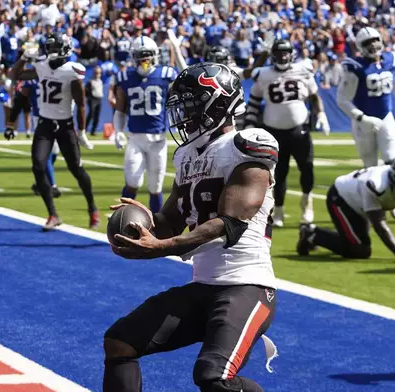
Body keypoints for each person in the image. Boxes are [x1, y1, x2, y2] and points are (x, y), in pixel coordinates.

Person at [104, 63, 278, 392]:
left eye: (192, 105)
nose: (185, 114)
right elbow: (172, 218)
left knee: (213, 377)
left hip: (247, 285)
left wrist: (162, 248)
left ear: (219, 103)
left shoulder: (247, 144)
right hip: (204, 286)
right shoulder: (186, 154)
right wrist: (146, 225)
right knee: (120, 341)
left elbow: (229, 225)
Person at [9, 32, 99, 231]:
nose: (51, 52)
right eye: (49, 47)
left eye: (55, 48)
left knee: (76, 168)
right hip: (45, 124)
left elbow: (81, 104)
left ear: (65, 49)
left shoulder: (72, 71)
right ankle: (53, 214)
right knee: (38, 166)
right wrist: (23, 58)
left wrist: (82, 131)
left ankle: (92, 207)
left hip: (65, 126)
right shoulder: (41, 66)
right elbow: (14, 75)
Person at [297, 154, 395, 265]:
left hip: (360, 204)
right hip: (341, 198)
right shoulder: (375, 184)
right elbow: (380, 225)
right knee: (359, 250)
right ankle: (312, 234)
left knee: (359, 244)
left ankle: (319, 235)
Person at [244, 39, 327, 227]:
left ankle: (307, 206)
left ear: (292, 54)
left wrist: (321, 113)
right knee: (279, 174)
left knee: (307, 168)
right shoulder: (264, 74)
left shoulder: (303, 71)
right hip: (274, 133)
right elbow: (255, 101)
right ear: (273, 55)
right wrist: (249, 124)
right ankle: (279, 211)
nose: (282, 56)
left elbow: (314, 96)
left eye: (285, 52)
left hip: (300, 130)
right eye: (279, 53)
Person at [336, 27, 395, 220]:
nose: (373, 45)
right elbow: (342, 100)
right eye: (368, 43)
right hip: (364, 121)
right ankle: (372, 203)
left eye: (375, 40)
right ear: (361, 47)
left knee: (393, 160)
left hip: (385, 117)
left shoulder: (390, 59)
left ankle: (394, 199)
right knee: (369, 165)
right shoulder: (355, 66)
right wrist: (361, 117)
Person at [112, 36, 177, 214]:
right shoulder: (125, 77)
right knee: (132, 181)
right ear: (134, 56)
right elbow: (120, 109)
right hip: (135, 138)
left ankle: (157, 225)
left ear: (155, 55)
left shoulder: (166, 75)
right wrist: (118, 131)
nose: (144, 59)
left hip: (158, 139)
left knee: (155, 185)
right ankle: (121, 220)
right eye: (141, 55)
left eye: (147, 55)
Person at [25, 77, 62, 199]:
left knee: (54, 152)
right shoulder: (32, 82)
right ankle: (52, 186)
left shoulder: (55, 77)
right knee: (46, 153)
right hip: (40, 118)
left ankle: (40, 182)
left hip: (57, 117)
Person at [85, 66, 104, 136]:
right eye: (96, 73)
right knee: (91, 114)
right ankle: (85, 129)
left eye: (99, 73)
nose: (98, 75)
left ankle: (93, 131)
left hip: (99, 99)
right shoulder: (90, 81)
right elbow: (86, 91)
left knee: (97, 116)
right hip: (92, 99)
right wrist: (89, 97)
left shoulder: (100, 81)